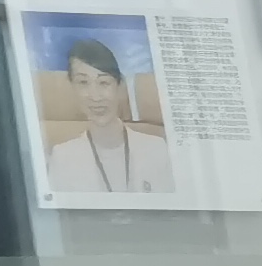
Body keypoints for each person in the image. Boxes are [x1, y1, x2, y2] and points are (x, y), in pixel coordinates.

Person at [46, 36, 174, 195]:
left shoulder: (156, 149)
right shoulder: (62, 157)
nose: (95, 97)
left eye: (104, 83)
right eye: (83, 83)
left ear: (119, 86)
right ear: (72, 87)